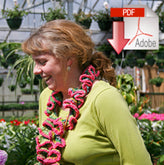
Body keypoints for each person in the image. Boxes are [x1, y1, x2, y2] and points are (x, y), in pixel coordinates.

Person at [22, 19, 152, 165]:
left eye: (42, 62)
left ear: (69, 58)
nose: (35, 70)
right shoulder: (47, 97)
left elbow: (139, 161)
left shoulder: (103, 98)